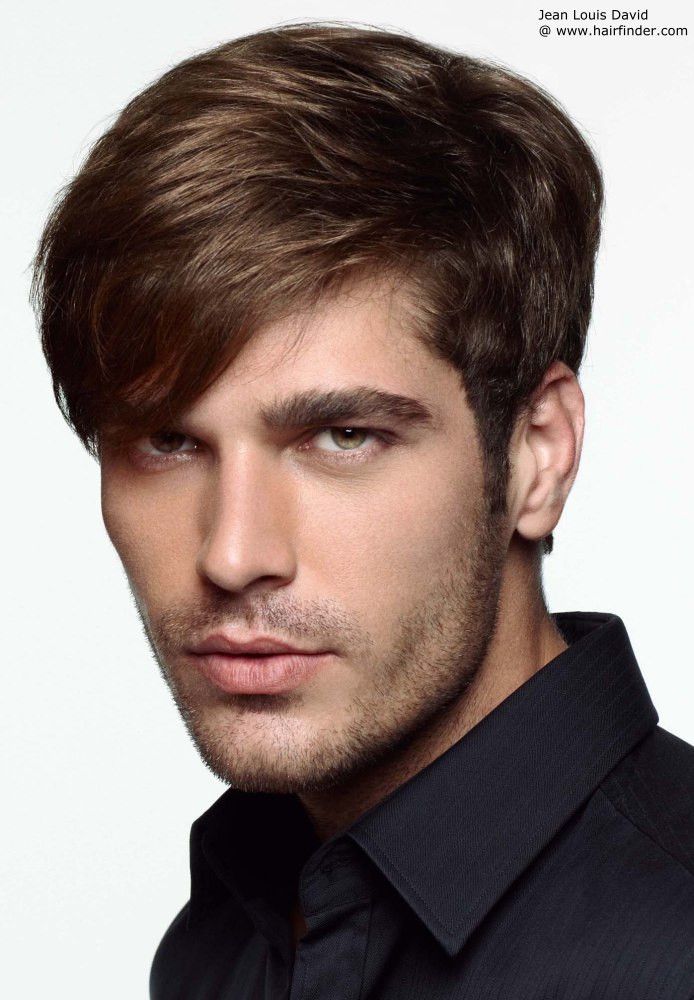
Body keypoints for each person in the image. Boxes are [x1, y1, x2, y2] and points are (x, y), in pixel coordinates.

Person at [31, 21, 694, 1000]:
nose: (233, 554)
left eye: (343, 436)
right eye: (167, 442)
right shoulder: (223, 940)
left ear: (537, 455)